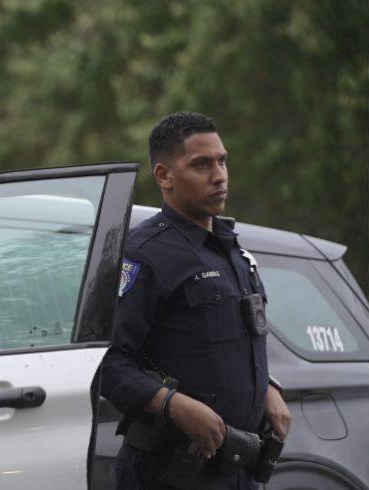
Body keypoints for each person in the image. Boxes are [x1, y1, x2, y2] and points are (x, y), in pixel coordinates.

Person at [99, 112, 292, 489]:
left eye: (222, 161)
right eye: (201, 165)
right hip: (169, 471)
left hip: (236, 468)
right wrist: (172, 404)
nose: (219, 176)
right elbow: (107, 363)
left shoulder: (231, 250)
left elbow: (226, 343)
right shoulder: (144, 255)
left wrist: (268, 386)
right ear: (164, 176)